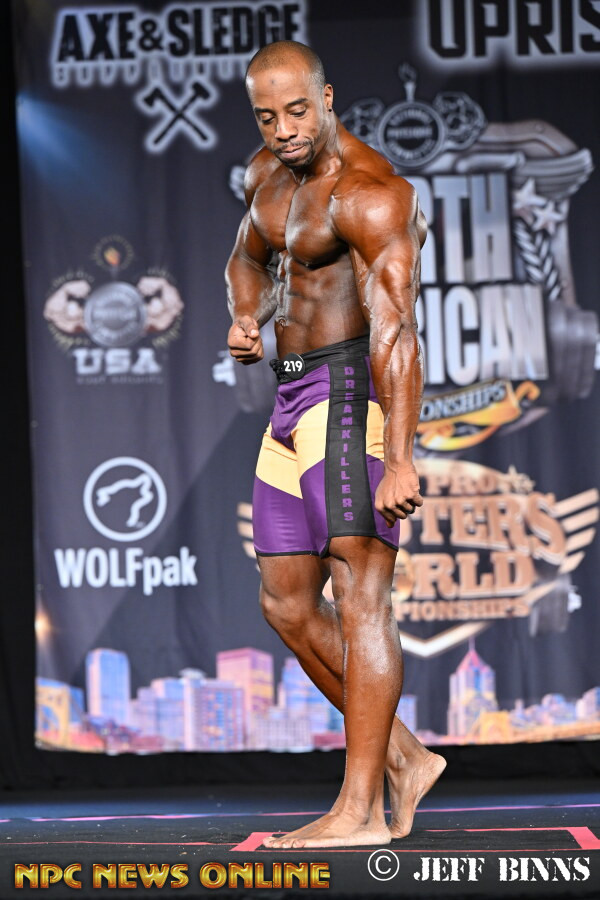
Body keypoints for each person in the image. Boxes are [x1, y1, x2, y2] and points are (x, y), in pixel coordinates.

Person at [225, 40, 445, 850]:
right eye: (267, 116)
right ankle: (407, 759)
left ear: (325, 98)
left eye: (296, 111)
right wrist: (246, 316)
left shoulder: (372, 194)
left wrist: (400, 458)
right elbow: (245, 258)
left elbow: (397, 332)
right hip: (289, 395)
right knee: (285, 602)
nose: (283, 129)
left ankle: (360, 811)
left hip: (352, 390)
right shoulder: (266, 176)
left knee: (360, 595)